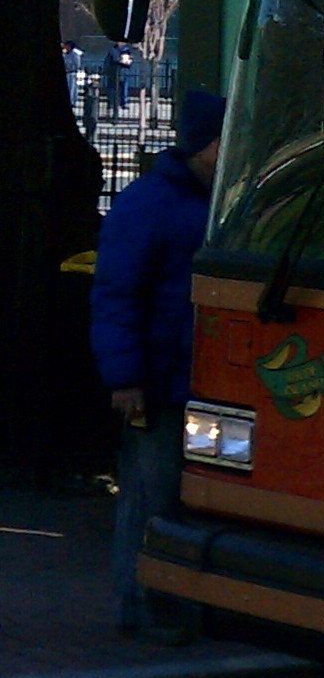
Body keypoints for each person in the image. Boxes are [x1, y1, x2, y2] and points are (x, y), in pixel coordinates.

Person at [91, 89, 221, 640]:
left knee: (162, 497)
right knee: (155, 498)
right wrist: (127, 379)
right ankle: (146, 607)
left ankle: (157, 605)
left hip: (176, 377)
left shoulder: (164, 201)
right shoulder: (158, 205)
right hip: (164, 379)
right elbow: (118, 295)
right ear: (208, 146)